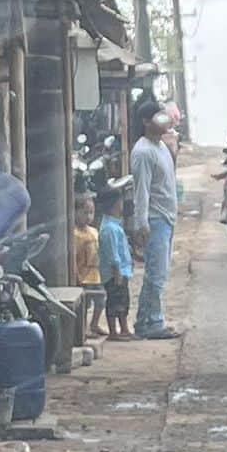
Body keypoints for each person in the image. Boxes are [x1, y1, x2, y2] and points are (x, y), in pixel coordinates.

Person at [130, 96, 180, 340]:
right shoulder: (143, 152)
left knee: (159, 272)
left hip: (167, 217)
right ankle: (151, 322)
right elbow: (142, 191)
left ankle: (147, 320)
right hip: (155, 219)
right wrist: (141, 224)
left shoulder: (161, 147)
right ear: (146, 122)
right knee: (156, 274)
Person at [95, 185, 135, 340]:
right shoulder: (109, 229)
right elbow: (113, 255)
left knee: (123, 301)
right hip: (114, 273)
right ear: (114, 205)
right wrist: (117, 271)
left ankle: (124, 328)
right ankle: (113, 331)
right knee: (114, 302)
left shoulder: (113, 225)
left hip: (122, 271)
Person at [73, 194, 107, 338]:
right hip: (84, 276)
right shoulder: (74, 234)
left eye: (91, 212)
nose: (88, 216)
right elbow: (72, 258)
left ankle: (95, 324)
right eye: (84, 212)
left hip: (96, 275)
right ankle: (84, 329)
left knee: (101, 300)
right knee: (84, 305)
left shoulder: (94, 231)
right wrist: (77, 276)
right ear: (75, 213)